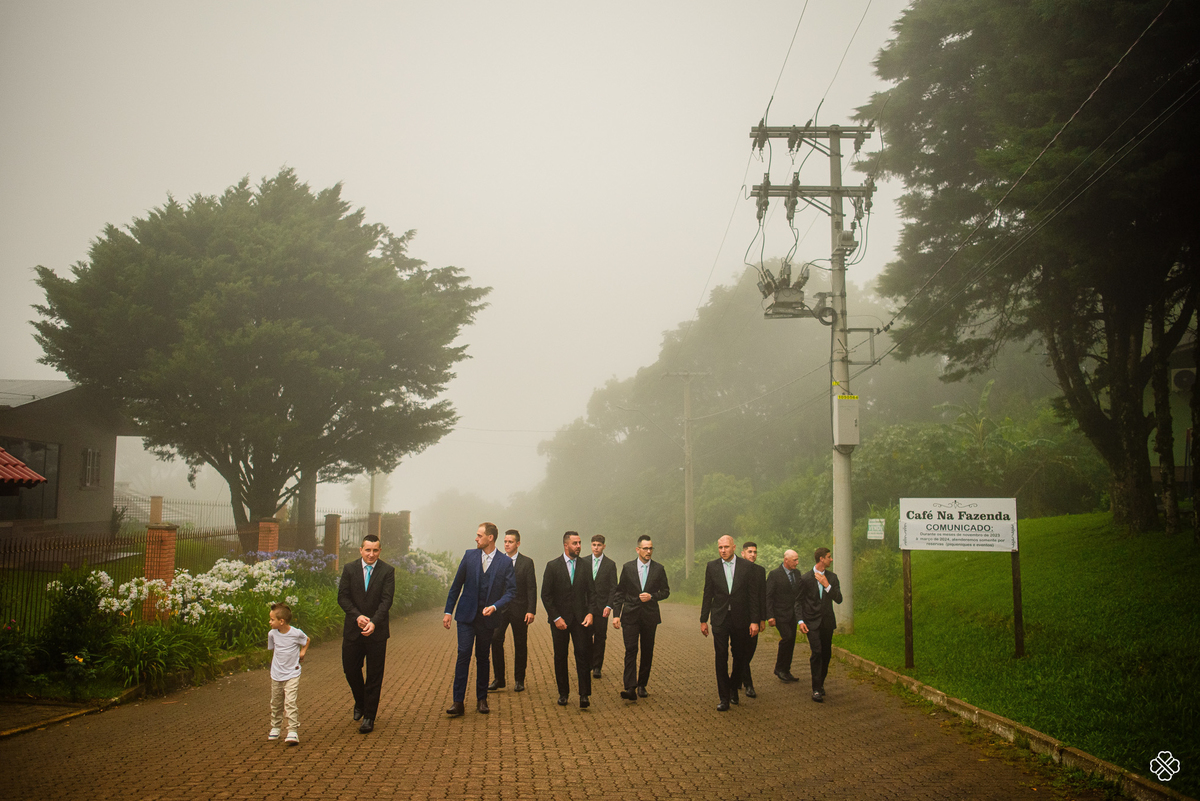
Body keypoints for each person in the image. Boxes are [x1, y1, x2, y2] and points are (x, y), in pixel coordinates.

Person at [443, 522, 517, 717]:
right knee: (463, 655)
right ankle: (458, 702)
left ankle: (481, 699)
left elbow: (511, 592)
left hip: (487, 619)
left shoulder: (504, 562)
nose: (476, 538)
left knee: (483, 658)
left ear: (490, 538)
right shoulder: (469, 556)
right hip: (466, 617)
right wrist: (448, 611)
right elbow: (456, 585)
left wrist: (495, 606)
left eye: (479, 535)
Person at [338, 533, 395, 734]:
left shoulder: (387, 571)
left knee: (374, 676)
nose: (371, 554)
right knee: (350, 669)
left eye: (375, 550)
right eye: (368, 550)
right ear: (361, 550)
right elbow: (342, 597)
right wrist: (357, 616)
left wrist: (373, 622)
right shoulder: (349, 569)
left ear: (380, 551)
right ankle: (360, 701)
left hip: (376, 632)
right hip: (353, 630)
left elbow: (386, 601)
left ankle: (369, 717)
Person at [699, 535, 760, 711]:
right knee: (721, 656)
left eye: (726, 547)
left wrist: (755, 621)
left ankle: (734, 686)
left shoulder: (747, 567)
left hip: (741, 618)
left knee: (740, 656)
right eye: (720, 548)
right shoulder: (712, 566)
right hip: (720, 618)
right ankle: (724, 697)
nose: (723, 551)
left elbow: (753, 596)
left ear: (734, 547)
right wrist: (703, 619)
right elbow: (707, 594)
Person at [611, 535, 670, 702]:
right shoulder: (628, 568)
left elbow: (666, 591)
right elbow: (619, 592)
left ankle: (642, 684)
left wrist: (652, 596)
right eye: (645, 548)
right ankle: (630, 687)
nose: (649, 551)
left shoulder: (659, 569)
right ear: (638, 550)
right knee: (631, 650)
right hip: (630, 614)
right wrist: (616, 615)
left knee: (647, 650)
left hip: (650, 616)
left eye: (651, 548)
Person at [541, 530, 595, 708]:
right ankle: (563, 693)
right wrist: (556, 617)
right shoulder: (552, 566)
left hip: (581, 620)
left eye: (579, 543)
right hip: (560, 621)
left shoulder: (586, 566)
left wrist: (590, 613)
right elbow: (546, 595)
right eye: (575, 543)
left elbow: (592, 594)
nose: (579, 546)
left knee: (583, 655)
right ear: (566, 545)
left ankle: (584, 695)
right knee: (560, 657)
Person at [489, 529, 537, 693]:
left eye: (510, 542)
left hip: (520, 609)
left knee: (520, 644)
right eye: (505, 541)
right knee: (495, 639)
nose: (507, 544)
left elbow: (532, 588)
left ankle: (519, 680)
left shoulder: (527, 562)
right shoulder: (497, 561)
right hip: (501, 610)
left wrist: (531, 610)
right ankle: (499, 679)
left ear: (518, 543)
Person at [797, 546, 843, 702]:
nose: (831, 559)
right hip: (811, 622)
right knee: (816, 652)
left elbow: (838, 598)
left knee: (826, 654)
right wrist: (800, 620)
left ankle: (820, 683)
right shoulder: (805, 578)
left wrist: (826, 584)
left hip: (827, 622)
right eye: (829, 557)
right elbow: (798, 602)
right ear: (821, 559)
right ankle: (815, 689)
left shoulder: (833, 577)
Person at [266, 602, 308, 745]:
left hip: (292, 673)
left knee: (290, 702)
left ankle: (292, 731)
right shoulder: (272, 634)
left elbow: (306, 640)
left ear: (281, 621)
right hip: (277, 674)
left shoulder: (296, 633)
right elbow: (274, 650)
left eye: (272, 619)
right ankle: (276, 727)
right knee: (276, 702)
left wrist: (302, 652)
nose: (270, 622)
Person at [583, 534, 618, 679]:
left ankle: (597, 666)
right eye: (593, 544)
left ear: (603, 546)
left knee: (600, 637)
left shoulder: (610, 564)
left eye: (599, 545)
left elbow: (613, 587)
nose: (596, 547)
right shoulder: (583, 562)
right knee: (585, 636)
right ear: (591, 546)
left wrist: (609, 605)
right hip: (586, 607)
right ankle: (588, 662)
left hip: (602, 607)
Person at [765, 550, 803, 682]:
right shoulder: (775, 574)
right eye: (795, 560)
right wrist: (770, 616)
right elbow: (768, 596)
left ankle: (786, 670)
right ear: (786, 560)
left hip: (793, 614)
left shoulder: (797, 574)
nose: (797, 563)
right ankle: (779, 668)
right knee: (787, 637)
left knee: (791, 641)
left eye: (797, 560)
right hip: (779, 614)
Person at [736, 542, 768, 698]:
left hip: (754, 617)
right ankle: (748, 684)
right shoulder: (737, 568)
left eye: (755, 552)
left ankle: (737, 675)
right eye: (749, 552)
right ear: (743, 553)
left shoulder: (760, 571)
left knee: (750, 650)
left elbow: (762, 595)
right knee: (741, 651)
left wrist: (762, 618)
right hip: (739, 616)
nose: (753, 554)